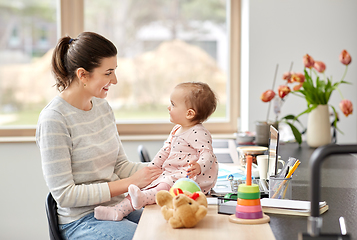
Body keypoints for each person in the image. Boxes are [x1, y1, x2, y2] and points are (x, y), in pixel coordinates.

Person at [36, 32, 162, 240]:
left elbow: (119, 165)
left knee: (169, 229)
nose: (115, 80)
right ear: (83, 75)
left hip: (119, 209)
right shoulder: (54, 119)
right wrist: (130, 183)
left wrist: (166, 169)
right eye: (108, 73)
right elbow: (65, 195)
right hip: (81, 221)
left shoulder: (102, 107)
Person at [94, 81, 219, 221]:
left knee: (164, 186)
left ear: (189, 113)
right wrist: (153, 166)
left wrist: (200, 166)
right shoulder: (177, 129)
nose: (168, 107)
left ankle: (140, 199)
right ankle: (118, 210)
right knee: (144, 185)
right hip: (173, 172)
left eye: (173, 104)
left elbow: (207, 154)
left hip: (189, 177)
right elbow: (165, 150)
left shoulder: (199, 132)